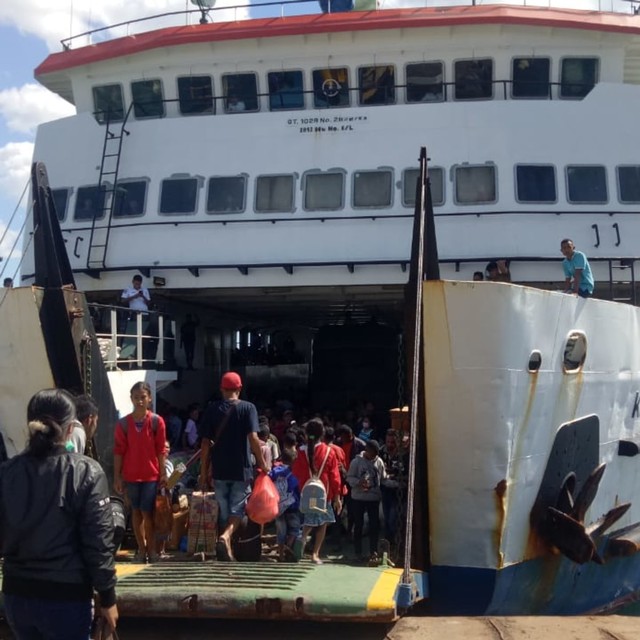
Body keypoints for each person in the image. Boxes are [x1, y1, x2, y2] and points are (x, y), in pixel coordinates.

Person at [0, 388, 118, 639]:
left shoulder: (8, 472)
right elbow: (98, 542)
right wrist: (107, 597)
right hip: (66, 596)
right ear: (70, 428)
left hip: (16, 594)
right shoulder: (86, 471)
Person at [198, 371, 271, 562]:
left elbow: (205, 444)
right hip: (241, 469)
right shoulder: (249, 408)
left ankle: (226, 547)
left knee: (224, 509)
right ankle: (226, 536)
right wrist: (263, 465)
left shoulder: (212, 409)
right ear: (239, 388)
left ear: (222, 389)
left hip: (219, 470)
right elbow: (254, 439)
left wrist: (203, 473)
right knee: (237, 510)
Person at [113, 381, 167, 564]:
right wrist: (117, 477)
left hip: (151, 475)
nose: (139, 401)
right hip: (131, 475)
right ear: (131, 399)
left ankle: (151, 549)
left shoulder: (156, 422)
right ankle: (141, 549)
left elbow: (161, 449)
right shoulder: (123, 424)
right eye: (136, 398)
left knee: (148, 513)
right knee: (136, 512)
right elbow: (118, 451)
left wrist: (163, 474)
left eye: (143, 397)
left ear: (150, 398)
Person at [291, 419, 342, 564]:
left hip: (306, 492)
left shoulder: (301, 451)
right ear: (322, 434)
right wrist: (337, 497)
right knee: (322, 523)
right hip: (323, 492)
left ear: (307, 434)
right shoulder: (329, 451)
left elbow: (296, 472)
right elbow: (334, 476)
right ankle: (315, 554)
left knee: (309, 518)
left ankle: (302, 537)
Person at [346, 439, 386, 564]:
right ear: (367, 451)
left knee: (374, 525)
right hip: (358, 498)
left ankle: (373, 551)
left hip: (373, 498)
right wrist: (358, 482)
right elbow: (349, 477)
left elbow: (383, 477)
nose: (374, 455)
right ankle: (358, 552)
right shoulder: (356, 462)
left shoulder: (379, 461)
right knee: (358, 524)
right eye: (372, 452)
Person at [268, 449, 302, 562]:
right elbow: (298, 489)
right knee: (295, 529)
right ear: (293, 460)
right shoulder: (294, 472)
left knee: (280, 532)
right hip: (292, 506)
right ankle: (289, 545)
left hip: (278, 507)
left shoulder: (274, 471)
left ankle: (281, 555)